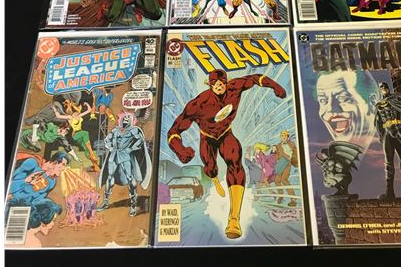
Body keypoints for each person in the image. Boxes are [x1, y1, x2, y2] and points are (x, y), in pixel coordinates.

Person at [167, 69, 286, 239]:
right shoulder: (198, 104)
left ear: (227, 82)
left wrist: (275, 86)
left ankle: (234, 219)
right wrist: (180, 150)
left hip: (226, 134)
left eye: (222, 82)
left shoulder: (234, 87)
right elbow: (174, 131)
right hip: (207, 139)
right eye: (215, 83)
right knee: (210, 169)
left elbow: (255, 78)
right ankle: (215, 180)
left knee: (235, 163)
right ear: (209, 84)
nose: (219, 86)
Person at [98, 112, 152, 217]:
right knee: (110, 177)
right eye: (124, 120)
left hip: (125, 155)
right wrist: (110, 147)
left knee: (129, 177)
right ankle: (105, 201)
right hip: (114, 155)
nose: (125, 122)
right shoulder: (115, 130)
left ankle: (133, 204)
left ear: (131, 121)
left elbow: (140, 141)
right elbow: (107, 140)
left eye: (127, 120)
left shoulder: (134, 130)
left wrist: (131, 149)